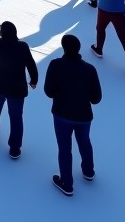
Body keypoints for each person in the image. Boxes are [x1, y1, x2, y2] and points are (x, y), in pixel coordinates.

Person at [43, 34, 102, 196]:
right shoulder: (90, 69)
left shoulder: (55, 65)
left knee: (64, 147)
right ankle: (88, 172)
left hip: (61, 115)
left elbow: (48, 91)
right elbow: (96, 98)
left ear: (63, 47)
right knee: (84, 142)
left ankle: (67, 183)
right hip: (84, 116)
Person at [0, 20, 38, 159]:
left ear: (2, 33)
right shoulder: (22, 47)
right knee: (16, 117)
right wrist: (34, 80)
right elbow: (31, 64)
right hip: (16, 90)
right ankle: (15, 148)